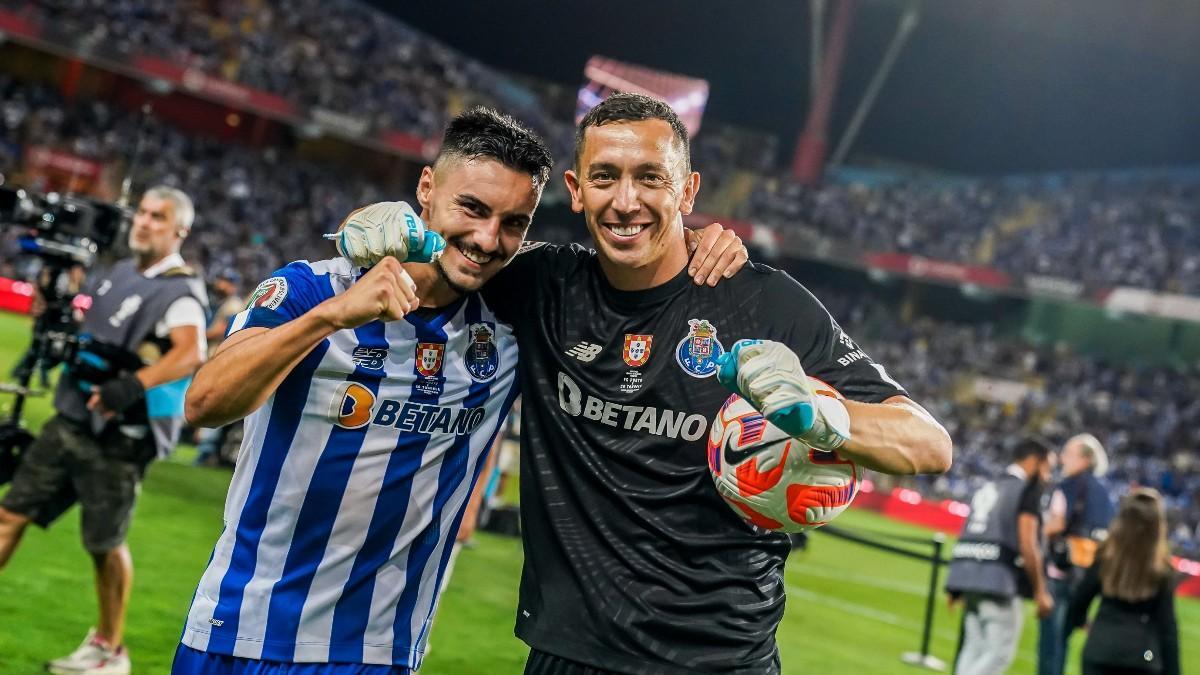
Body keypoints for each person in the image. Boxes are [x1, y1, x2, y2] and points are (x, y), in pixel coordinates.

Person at [172, 107, 742, 674]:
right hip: (236, 630)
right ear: (427, 187)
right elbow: (205, 404)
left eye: (513, 222)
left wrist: (702, 242)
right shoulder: (311, 287)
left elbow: (632, 279)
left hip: (375, 652)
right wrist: (330, 318)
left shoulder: (517, 327)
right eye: (471, 208)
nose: (487, 238)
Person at [472, 93, 953, 673]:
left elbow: (929, 444)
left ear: (689, 191)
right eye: (605, 177)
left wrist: (825, 417)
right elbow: (437, 261)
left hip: (721, 661)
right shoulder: (541, 285)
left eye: (650, 177)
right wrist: (368, 232)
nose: (626, 201)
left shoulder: (762, 302)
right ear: (575, 190)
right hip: (566, 656)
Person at [0, 186, 208, 675]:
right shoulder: (117, 272)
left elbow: (191, 352)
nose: (144, 222)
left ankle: (110, 650)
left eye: (158, 217)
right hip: (71, 418)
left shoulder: (181, 289)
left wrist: (131, 386)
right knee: (9, 514)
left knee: (104, 543)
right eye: (142, 214)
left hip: (119, 439)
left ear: (179, 229)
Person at [945, 437, 1056, 675]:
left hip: (967, 575)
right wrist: (1040, 591)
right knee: (997, 654)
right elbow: (1028, 543)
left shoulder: (989, 484)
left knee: (973, 648)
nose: (1048, 475)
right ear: (1035, 461)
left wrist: (955, 586)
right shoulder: (1028, 489)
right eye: (1048, 467)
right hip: (999, 580)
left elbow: (968, 532)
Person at [1066, 488, 1180, 675]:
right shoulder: (1161, 569)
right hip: (1144, 656)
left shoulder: (1106, 557)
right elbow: (1167, 629)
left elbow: (1079, 600)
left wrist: (1082, 623)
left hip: (1101, 650)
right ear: (1158, 526)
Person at [1039, 432, 1116, 675]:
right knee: (1065, 637)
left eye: (1068, 454)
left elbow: (1057, 524)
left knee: (1051, 641)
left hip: (1063, 571)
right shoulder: (1106, 494)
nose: (1062, 459)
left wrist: (1036, 529)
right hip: (1090, 577)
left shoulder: (1069, 486)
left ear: (1085, 459)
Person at [194, 267, 244, 466]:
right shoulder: (220, 302)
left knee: (210, 400)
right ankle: (206, 448)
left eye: (226, 281)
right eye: (221, 280)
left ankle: (207, 451)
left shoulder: (233, 304)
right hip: (213, 358)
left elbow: (221, 329)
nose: (221, 284)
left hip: (221, 359)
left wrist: (195, 335)